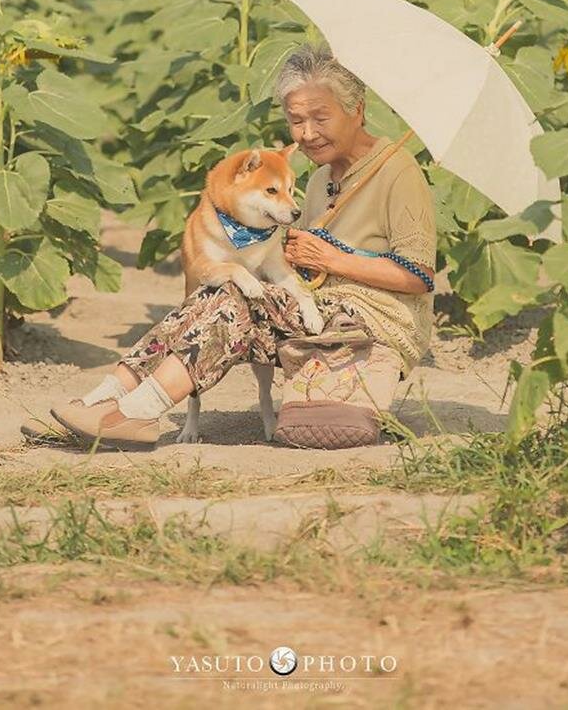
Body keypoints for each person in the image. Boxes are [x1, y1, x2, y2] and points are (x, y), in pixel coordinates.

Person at [42, 43, 437, 450]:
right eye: (296, 120)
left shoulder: (397, 172)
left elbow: (418, 277)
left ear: (357, 110)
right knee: (205, 298)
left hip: (372, 320)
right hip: (314, 311)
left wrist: (333, 258)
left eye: (321, 117)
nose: (307, 134)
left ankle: (138, 412)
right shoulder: (319, 180)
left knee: (236, 295)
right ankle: (104, 400)